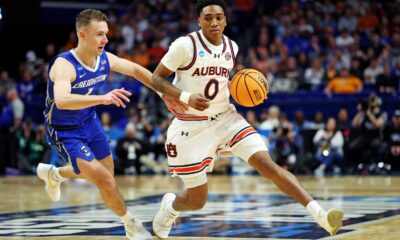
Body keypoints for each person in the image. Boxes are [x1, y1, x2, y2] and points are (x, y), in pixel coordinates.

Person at [149, 0, 343, 238]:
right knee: (197, 201)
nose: (214, 22)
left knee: (268, 165)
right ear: (198, 21)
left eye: (219, 17)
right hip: (190, 126)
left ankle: (321, 215)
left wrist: (251, 90)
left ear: (226, 20)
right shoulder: (184, 45)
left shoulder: (232, 47)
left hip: (226, 118)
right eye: (208, 17)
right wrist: (186, 97)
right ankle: (170, 206)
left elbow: (220, 81)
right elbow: (156, 79)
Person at [35, 9, 184, 240]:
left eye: (106, 33)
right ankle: (130, 223)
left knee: (107, 176)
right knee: (104, 180)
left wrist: (163, 93)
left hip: (89, 122)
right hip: (64, 131)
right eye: (99, 34)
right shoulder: (64, 65)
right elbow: (62, 101)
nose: (105, 39)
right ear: (82, 35)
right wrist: (102, 98)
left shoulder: (104, 59)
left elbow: (135, 70)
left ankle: (55, 174)